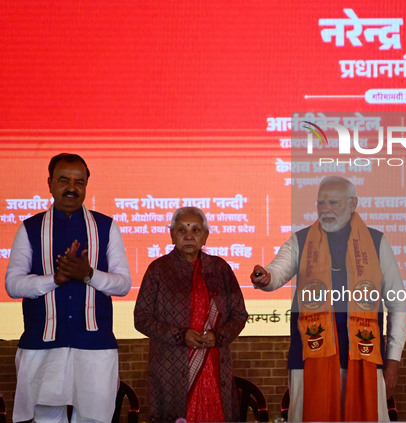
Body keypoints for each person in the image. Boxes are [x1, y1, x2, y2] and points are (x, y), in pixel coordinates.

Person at [251, 176, 406, 422]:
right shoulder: (300, 241)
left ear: (353, 203)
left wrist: (393, 361)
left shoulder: (377, 242)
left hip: (365, 358)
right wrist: (266, 277)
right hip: (310, 359)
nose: (326, 210)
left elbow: (398, 304)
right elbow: (277, 271)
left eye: (334, 203)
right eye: (321, 203)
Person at [5, 153, 132, 423]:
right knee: (46, 417)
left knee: (94, 419)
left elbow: (123, 284)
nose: (72, 188)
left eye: (79, 182)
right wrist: (55, 279)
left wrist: (87, 274)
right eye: (64, 180)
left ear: (87, 185)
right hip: (43, 345)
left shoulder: (106, 226)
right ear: (50, 183)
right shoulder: (30, 228)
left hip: (95, 346)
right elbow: (13, 285)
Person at [134, 207, 248, 423]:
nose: (189, 236)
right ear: (172, 235)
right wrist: (180, 335)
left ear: (205, 236)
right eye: (181, 230)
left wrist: (219, 336)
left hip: (214, 364)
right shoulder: (158, 270)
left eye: (196, 230)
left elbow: (239, 314)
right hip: (171, 368)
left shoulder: (220, 268)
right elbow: (142, 318)